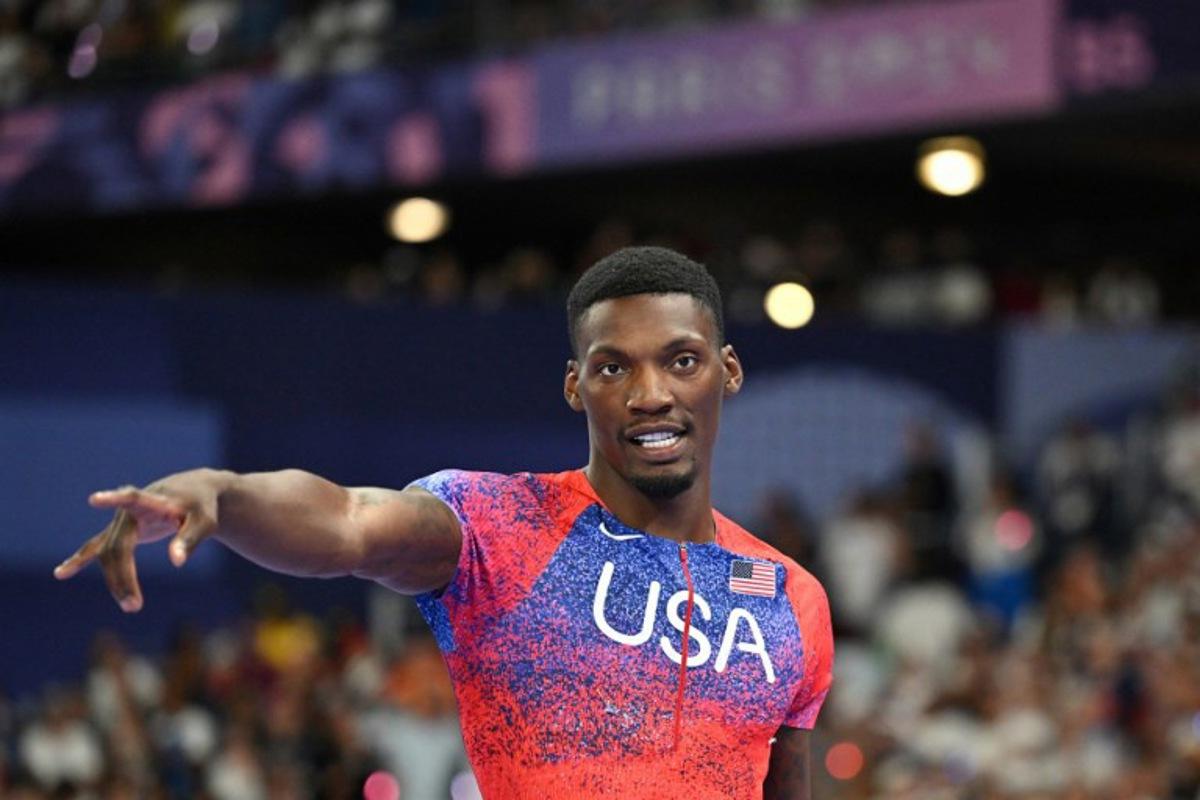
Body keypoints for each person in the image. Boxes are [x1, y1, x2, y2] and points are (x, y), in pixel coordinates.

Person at [55, 246, 834, 799]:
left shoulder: (791, 600)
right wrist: (224, 493)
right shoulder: (501, 526)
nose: (650, 393)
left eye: (682, 360)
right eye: (613, 366)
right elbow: (349, 521)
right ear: (575, 386)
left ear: (727, 370)